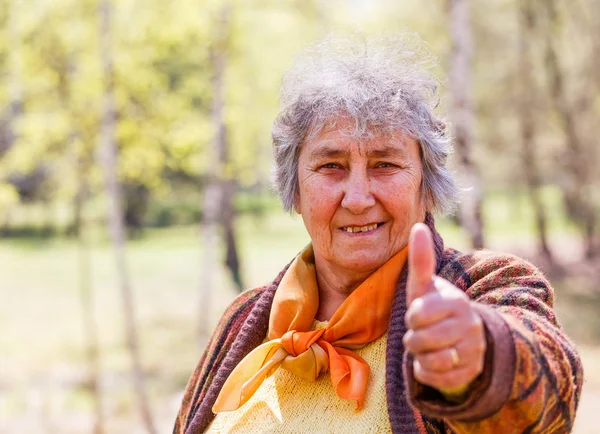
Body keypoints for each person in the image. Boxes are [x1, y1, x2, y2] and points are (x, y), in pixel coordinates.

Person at [174, 34, 583, 434]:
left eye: (385, 164)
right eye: (330, 166)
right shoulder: (243, 319)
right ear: (295, 190)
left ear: (427, 187)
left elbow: (547, 393)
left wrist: (481, 357)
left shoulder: (482, 286)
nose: (356, 198)